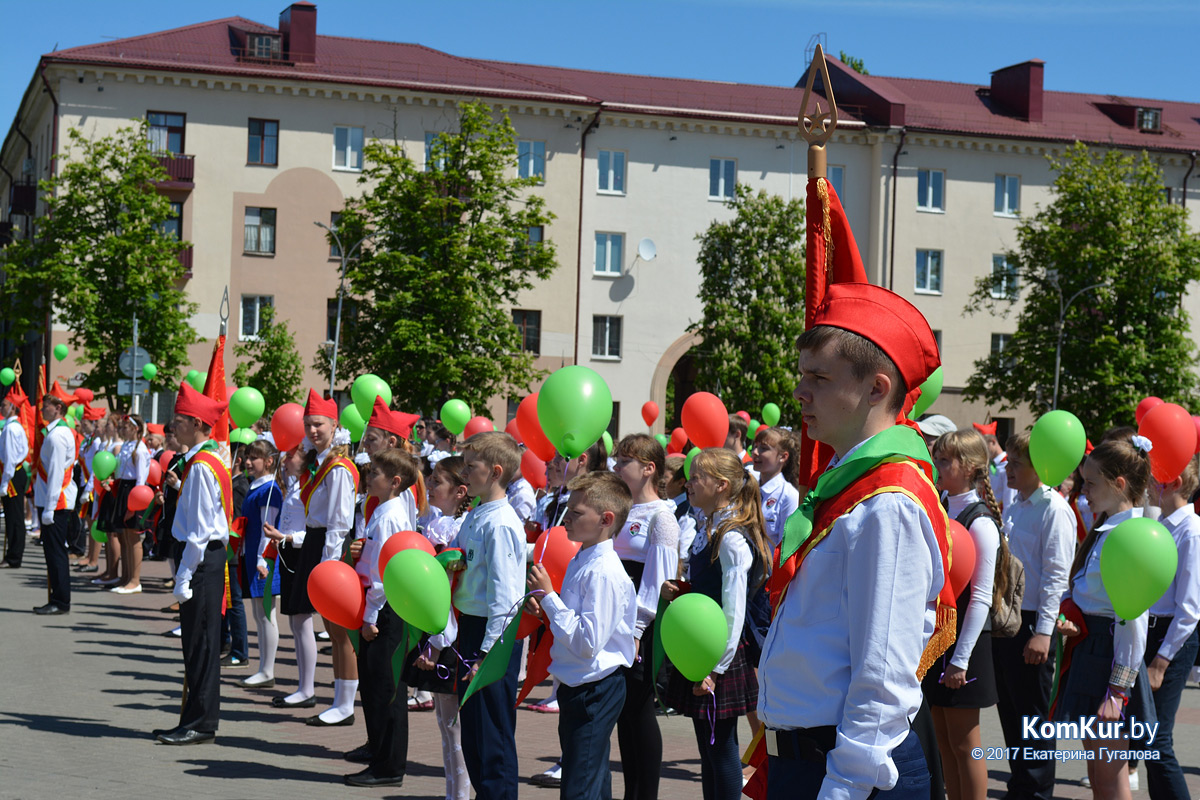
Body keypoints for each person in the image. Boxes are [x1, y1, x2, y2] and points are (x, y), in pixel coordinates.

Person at [755, 282, 953, 800]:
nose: (801, 392)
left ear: (876, 388)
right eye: (803, 376)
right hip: (820, 760)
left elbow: (883, 672)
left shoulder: (887, 503)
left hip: (850, 771)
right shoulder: (851, 483)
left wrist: (842, 786)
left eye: (819, 377)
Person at [665, 448, 771, 800]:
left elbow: (733, 611)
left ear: (722, 485)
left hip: (717, 655)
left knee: (722, 750)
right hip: (701, 650)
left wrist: (715, 667)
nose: (688, 483)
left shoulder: (731, 538)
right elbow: (708, 591)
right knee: (707, 750)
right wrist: (682, 591)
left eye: (697, 477)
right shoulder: (707, 526)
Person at [527, 471, 636, 800]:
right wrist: (548, 609)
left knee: (579, 785)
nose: (566, 520)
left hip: (595, 688)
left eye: (576, 513)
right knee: (590, 777)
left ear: (605, 519)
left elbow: (588, 643)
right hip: (579, 685)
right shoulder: (583, 557)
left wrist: (550, 599)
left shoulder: (603, 571)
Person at [1055, 437, 1155, 798]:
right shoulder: (1106, 529)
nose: (1083, 491)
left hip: (1111, 660)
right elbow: (1085, 591)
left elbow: (1133, 620)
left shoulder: (1130, 537)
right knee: (1098, 774)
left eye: (1091, 483)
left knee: (1112, 778)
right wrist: (1071, 616)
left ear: (1120, 484)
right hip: (1091, 650)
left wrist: (1117, 690)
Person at [433, 431, 525, 800]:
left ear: (496, 471)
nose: (465, 473)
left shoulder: (500, 522)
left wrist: (488, 654)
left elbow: (505, 596)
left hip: (492, 636)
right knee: (473, 734)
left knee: (492, 738)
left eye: (472, 467)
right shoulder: (478, 514)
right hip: (471, 630)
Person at [993, 431, 1075, 800]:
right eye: (1008, 460)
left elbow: (1056, 576)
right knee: (1012, 713)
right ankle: (1021, 785)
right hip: (1010, 620)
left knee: (1033, 717)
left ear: (1041, 467)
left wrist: (1043, 632)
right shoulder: (1017, 504)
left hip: (1032, 623)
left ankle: (1036, 791)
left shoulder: (1054, 510)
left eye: (1018, 463)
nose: (1008, 468)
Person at [924, 429, 1005, 800]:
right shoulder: (939, 505)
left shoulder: (981, 521)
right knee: (943, 742)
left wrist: (960, 660)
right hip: (938, 637)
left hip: (965, 646)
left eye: (944, 460)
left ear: (970, 467)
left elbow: (980, 598)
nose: (937, 465)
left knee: (965, 743)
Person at [157, 381, 231, 745]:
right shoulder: (204, 459)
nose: (174, 426)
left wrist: (184, 575)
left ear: (199, 424)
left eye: (181, 419)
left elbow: (200, 531)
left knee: (200, 643)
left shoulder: (202, 465)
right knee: (196, 643)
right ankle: (192, 718)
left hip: (201, 559)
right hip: (204, 557)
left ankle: (201, 723)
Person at [345, 447, 422, 787]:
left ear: (394, 482)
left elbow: (386, 573)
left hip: (385, 609)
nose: (368, 476)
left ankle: (389, 766)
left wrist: (371, 615)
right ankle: (379, 754)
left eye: (374, 472)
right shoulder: (383, 511)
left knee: (386, 689)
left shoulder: (390, 516)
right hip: (379, 606)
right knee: (375, 686)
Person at [611, 433, 679, 800]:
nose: (617, 467)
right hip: (615, 618)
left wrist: (638, 627)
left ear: (649, 468)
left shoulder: (661, 518)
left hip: (642, 626)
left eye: (625, 461)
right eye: (617, 460)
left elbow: (658, 580)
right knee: (624, 713)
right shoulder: (621, 509)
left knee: (638, 709)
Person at [1136, 454, 1200, 799]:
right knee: (1148, 740)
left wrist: (1160, 663)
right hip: (1152, 633)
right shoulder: (1160, 525)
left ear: (1174, 484)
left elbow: (1190, 609)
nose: (1147, 485)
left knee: (1157, 742)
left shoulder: (1191, 532)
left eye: (1154, 479)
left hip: (1172, 639)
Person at [410, 455, 472, 800]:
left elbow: (447, 590)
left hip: (448, 631)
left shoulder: (456, 533)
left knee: (454, 723)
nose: (429, 486)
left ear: (460, 491)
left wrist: (436, 641)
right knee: (442, 720)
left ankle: (460, 792)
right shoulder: (432, 523)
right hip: (433, 628)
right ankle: (451, 789)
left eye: (436, 481)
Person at [297, 390, 359, 727]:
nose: (312, 430)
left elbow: (339, 522)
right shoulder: (319, 463)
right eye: (308, 424)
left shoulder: (337, 468)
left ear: (334, 425)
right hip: (316, 542)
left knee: (340, 631)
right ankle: (339, 700)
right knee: (331, 629)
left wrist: (329, 564)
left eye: (318, 424)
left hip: (330, 547)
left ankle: (345, 703)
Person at [264, 445, 317, 708]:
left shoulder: (311, 487)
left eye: (291, 455)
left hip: (300, 554)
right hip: (289, 553)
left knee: (302, 622)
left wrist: (285, 537)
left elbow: (316, 530)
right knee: (296, 624)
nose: (285, 459)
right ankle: (302, 686)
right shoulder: (296, 484)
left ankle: (307, 689)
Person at [239, 438, 284, 688]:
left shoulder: (270, 491)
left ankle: (268, 670)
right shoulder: (256, 486)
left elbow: (269, 528)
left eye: (253, 457)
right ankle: (263, 667)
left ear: (268, 461)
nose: (247, 461)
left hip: (265, 559)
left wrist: (261, 559)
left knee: (267, 614)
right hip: (253, 557)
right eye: (246, 457)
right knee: (259, 614)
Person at [32, 391, 77, 615]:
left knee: (56, 552)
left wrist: (49, 507)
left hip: (56, 502)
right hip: (52, 501)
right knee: (52, 552)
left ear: (58, 408)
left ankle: (60, 601)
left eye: (46, 406)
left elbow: (57, 473)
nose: (42, 410)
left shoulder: (57, 436)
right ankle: (56, 598)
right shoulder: (54, 433)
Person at [112, 414, 149, 594]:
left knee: (134, 538)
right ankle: (125, 577)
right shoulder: (127, 446)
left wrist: (133, 506)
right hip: (124, 489)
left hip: (134, 492)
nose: (123, 430)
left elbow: (141, 480)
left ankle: (135, 580)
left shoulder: (140, 450)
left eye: (126, 427)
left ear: (136, 429)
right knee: (125, 537)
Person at [751, 426, 800, 549]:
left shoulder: (789, 496)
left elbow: (786, 547)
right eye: (755, 446)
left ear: (783, 457)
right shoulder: (748, 487)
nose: (755, 452)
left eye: (764, 448)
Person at [1, 389, 30, 569]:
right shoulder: (11, 426)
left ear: (12, 407)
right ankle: (12, 554)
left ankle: (14, 556)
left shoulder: (12, 428)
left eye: (4, 405)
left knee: (15, 517)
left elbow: (11, 458)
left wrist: (5, 482)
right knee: (13, 515)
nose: (1, 407)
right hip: (12, 472)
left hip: (12, 473)